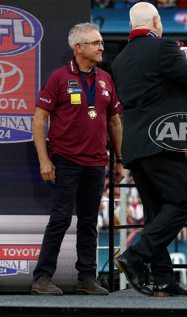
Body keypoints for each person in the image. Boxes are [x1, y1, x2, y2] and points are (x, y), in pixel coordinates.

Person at [111, 2, 187, 297]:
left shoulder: (120, 60)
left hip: (135, 146)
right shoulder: (163, 48)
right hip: (163, 140)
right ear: (156, 21)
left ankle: (163, 280)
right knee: (182, 203)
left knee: (155, 213)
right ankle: (135, 256)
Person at [31, 23, 124, 295]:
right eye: (95, 43)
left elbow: (115, 122)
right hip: (65, 160)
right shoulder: (58, 77)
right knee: (60, 218)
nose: (101, 47)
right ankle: (42, 278)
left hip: (97, 162)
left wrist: (119, 159)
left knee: (88, 221)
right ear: (79, 47)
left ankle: (86, 277)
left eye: (101, 42)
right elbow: (39, 120)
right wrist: (44, 161)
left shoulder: (106, 78)